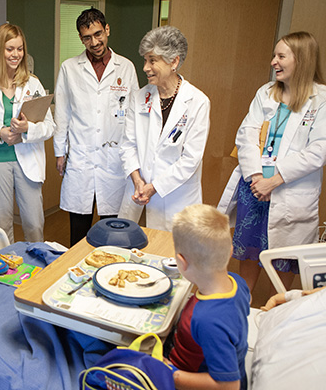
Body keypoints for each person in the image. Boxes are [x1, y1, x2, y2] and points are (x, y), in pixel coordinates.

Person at [218, 32, 326, 293]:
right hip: (255, 189)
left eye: (281, 56)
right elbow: (246, 134)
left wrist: (275, 180)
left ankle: (278, 315)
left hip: (289, 192)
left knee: (285, 260)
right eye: (274, 56)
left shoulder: (320, 99)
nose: (273, 62)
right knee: (249, 255)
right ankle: (242, 307)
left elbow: (318, 150)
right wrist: (257, 178)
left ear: (300, 60)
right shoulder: (266, 93)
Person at [53, 8, 139, 247]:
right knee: (78, 227)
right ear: (81, 39)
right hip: (81, 155)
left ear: (107, 29)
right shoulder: (70, 68)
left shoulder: (126, 67)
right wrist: (60, 151)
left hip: (114, 157)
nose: (94, 42)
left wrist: (134, 154)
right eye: (87, 37)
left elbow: (133, 115)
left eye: (98, 34)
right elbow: (62, 112)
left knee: (112, 227)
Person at [0, 23, 54, 243]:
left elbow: (49, 127)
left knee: (34, 224)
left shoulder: (33, 84)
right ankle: (8, 273)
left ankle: (40, 272)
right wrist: (0, 133)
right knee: (2, 226)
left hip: (27, 160)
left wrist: (27, 130)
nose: (16, 54)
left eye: (20, 49)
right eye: (10, 49)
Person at [118, 26, 210, 232]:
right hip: (137, 191)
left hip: (176, 198)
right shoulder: (140, 96)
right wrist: (138, 181)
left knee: (171, 256)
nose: (145, 68)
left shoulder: (197, 102)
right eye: (145, 60)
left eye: (153, 60)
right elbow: (128, 145)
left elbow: (190, 160)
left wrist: (154, 187)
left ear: (174, 61)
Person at [168, 204, 250, 390]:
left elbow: (229, 385)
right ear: (230, 251)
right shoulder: (237, 282)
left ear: (181, 262)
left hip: (186, 377)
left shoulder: (207, 320)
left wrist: (171, 374)